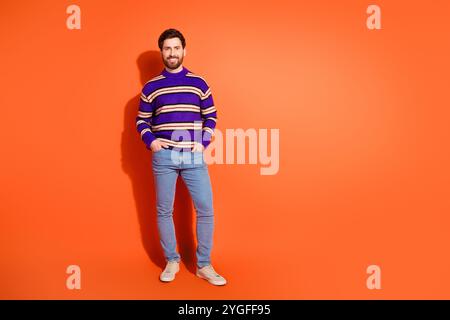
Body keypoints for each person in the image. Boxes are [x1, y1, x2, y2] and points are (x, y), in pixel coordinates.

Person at [136, 28, 226, 286]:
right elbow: (141, 120)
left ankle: (204, 265)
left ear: (184, 51)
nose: (172, 53)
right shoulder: (151, 86)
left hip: (193, 156)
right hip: (163, 157)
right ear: (162, 52)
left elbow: (211, 115)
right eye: (167, 48)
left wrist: (203, 142)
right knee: (164, 210)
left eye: (176, 48)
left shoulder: (199, 83)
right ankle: (172, 260)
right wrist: (152, 142)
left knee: (206, 209)